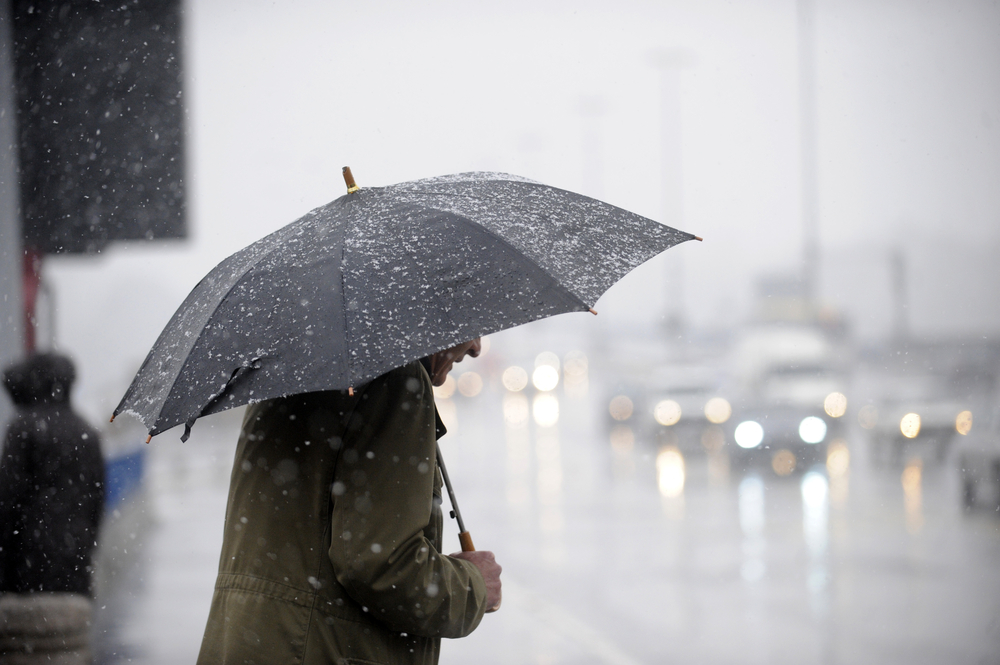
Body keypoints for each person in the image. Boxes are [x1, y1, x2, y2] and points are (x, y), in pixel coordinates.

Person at [198, 338, 502, 664]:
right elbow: (382, 566)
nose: (476, 348)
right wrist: (473, 586)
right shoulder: (394, 377)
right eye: (472, 330)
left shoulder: (288, 372)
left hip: (245, 643)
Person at [0, 353, 105, 663]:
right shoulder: (87, 430)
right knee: (69, 649)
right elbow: (97, 502)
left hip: (27, 572)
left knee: (27, 651)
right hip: (74, 570)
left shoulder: (23, 427)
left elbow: (7, 504)